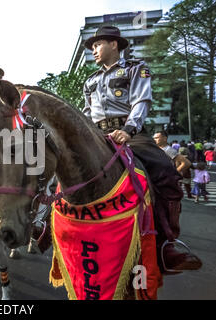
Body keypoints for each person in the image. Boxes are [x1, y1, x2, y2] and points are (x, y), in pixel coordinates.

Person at [83, 25, 201, 272]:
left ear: (114, 44)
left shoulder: (137, 68)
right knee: (63, 162)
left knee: (164, 172)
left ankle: (167, 244)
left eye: (97, 45)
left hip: (130, 133)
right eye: (92, 46)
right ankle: (45, 225)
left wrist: (128, 129)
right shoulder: (90, 80)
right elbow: (86, 112)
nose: (94, 50)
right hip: (96, 135)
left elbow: (141, 101)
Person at [154, 131, 193, 199]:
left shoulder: (169, 150)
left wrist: (174, 173)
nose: (155, 139)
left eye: (157, 138)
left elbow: (186, 163)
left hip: (165, 181)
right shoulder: (156, 149)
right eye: (154, 138)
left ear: (164, 139)